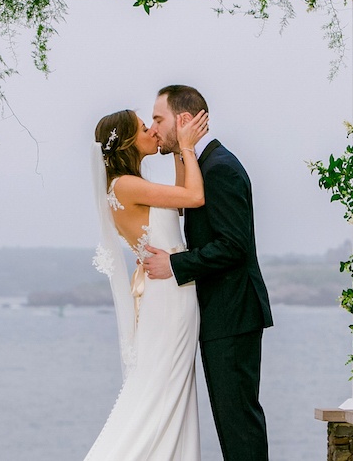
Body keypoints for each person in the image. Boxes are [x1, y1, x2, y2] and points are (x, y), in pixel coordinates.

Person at [142, 84, 273, 461]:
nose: (154, 127)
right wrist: (182, 151)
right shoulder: (204, 165)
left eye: (158, 118)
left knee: (238, 423)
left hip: (232, 313)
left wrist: (174, 265)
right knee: (231, 422)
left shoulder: (221, 169)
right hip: (223, 313)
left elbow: (234, 246)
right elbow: (187, 198)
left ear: (183, 120)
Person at [84, 107, 210, 461]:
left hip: (170, 292)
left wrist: (175, 149)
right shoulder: (126, 185)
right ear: (127, 141)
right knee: (161, 389)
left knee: (168, 387)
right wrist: (185, 146)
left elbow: (181, 197)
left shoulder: (129, 185)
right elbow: (195, 198)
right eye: (144, 128)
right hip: (169, 297)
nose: (152, 132)